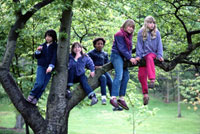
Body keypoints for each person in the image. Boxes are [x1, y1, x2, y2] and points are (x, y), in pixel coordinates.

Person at [136, 16, 164, 105]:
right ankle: (145, 94)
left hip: (152, 54)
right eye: (149, 23)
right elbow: (139, 45)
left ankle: (152, 79)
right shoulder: (141, 32)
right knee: (141, 75)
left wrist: (159, 55)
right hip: (143, 55)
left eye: (153, 23)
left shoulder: (157, 33)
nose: (151, 25)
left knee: (149, 57)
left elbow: (160, 44)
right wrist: (138, 56)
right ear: (146, 23)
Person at [110, 19, 137, 110]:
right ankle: (113, 97)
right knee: (119, 74)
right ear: (125, 26)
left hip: (124, 57)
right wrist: (130, 58)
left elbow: (128, 49)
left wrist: (129, 57)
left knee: (126, 76)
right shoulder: (119, 34)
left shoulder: (129, 36)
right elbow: (121, 48)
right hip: (116, 55)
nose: (131, 29)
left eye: (132, 27)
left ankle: (121, 98)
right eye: (129, 26)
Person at [27, 29, 58, 105]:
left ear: (53, 37)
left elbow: (54, 57)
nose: (47, 38)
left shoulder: (55, 46)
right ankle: (32, 94)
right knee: (39, 83)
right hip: (41, 66)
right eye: (46, 36)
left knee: (43, 85)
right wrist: (38, 51)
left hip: (50, 68)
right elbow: (37, 57)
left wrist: (51, 66)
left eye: (50, 36)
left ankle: (36, 98)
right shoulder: (42, 46)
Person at [88, 37, 113, 105]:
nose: (100, 45)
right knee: (103, 78)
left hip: (103, 70)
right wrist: (94, 67)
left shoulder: (104, 54)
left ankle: (113, 98)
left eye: (101, 44)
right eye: (98, 44)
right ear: (95, 45)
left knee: (111, 82)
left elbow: (107, 64)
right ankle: (103, 98)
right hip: (96, 72)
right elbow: (86, 64)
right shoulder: (91, 53)